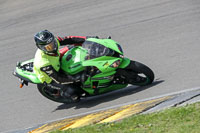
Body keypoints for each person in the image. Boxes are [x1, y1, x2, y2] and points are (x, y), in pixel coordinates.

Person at [33, 30, 98, 101]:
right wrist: (78, 78)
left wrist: (87, 39)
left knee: (74, 47)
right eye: (48, 47)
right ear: (41, 48)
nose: (53, 47)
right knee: (73, 93)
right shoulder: (43, 64)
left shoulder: (52, 41)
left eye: (53, 43)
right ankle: (64, 94)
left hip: (55, 59)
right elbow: (58, 79)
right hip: (52, 78)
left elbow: (69, 39)